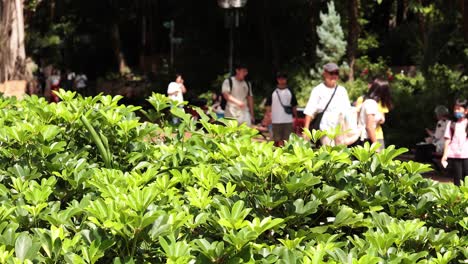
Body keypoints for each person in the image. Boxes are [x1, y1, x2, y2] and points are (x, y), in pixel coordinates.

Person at [303, 62, 351, 146]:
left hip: (340, 131)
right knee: (329, 155)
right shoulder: (318, 90)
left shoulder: (342, 90)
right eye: (331, 73)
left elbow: (348, 111)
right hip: (325, 130)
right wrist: (306, 131)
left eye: (336, 73)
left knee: (341, 156)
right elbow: (309, 111)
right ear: (324, 74)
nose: (334, 76)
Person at [354, 77, 391, 149]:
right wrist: (375, 145)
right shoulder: (371, 104)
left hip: (368, 137)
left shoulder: (368, 102)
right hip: (368, 138)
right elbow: (369, 127)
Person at [264, 72, 298, 147]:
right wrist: (267, 117)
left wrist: (295, 118)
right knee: (276, 140)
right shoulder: (273, 91)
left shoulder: (290, 91)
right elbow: (268, 105)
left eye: (283, 78)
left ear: (286, 79)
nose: (281, 80)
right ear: (277, 79)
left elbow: (294, 105)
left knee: (287, 140)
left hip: (288, 120)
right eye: (280, 78)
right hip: (275, 120)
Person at [441, 99, 468, 186]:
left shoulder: (467, 123)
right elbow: (447, 139)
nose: (456, 111)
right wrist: (444, 155)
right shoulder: (451, 123)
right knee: (458, 180)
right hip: (455, 155)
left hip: (466, 155)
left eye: (459, 109)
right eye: (455, 109)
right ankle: (460, 198)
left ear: (466, 110)